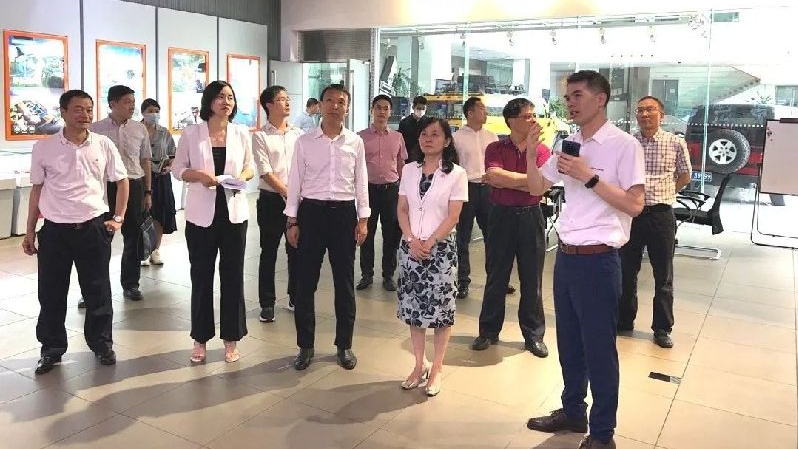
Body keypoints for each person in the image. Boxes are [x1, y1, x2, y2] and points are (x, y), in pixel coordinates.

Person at [525, 70, 645, 449]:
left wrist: (589, 176)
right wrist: (530, 151)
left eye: (577, 95)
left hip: (599, 261)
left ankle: (603, 434)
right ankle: (573, 411)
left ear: (600, 98)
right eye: (567, 97)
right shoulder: (569, 143)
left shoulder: (624, 145)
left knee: (599, 350)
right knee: (570, 343)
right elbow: (536, 187)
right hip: (566, 257)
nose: (570, 103)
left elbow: (635, 205)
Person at [23, 89, 129, 375]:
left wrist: (118, 218)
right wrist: (30, 230)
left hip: (92, 228)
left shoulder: (103, 144)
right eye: (78, 109)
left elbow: (121, 181)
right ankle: (51, 349)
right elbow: (37, 190)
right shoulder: (44, 148)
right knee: (51, 293)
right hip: (55, 231)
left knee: (98, 291)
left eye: (89, 109)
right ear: (63, 112)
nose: (85, 114)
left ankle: (101, 344)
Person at [285, 83, 370, 372]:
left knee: (344, 283)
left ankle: (344, 345)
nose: (335, 106)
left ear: (347, 107)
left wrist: (363, 219)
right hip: (311, 213)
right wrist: (292, 220)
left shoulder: (355, 142)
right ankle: (305, 346)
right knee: (304, 283)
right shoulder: (305, 141)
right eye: (330, 100)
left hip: (344, 215)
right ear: (320, 105)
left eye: (341, 101)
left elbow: (361, 181)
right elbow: (295, 181)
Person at [172, 80, 255, 364]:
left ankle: (232, 337)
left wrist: (241, 177)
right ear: (209, 101)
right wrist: (199, 176)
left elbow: (250, 166)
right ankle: (200, 337)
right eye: (220, 97)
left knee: (233, 276)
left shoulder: (241, 132)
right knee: (201, 276)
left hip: (234, 213)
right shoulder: (192, 133)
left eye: (230, 97)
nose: (226, 102)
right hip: (200, 215)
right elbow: (177, 169)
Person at [472, 98, 550, 358]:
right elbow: (494, 176)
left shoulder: (542, 151)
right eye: (527, 116)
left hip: (531, 216)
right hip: (501, 216)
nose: (533, 120)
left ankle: (534, 335)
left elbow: (543, 184)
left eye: (534, 115)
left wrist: (509, 181)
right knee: (497, 275)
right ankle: (488, 331)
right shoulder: (495, 148)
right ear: (511, 121)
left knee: (532, 278)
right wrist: (529, 181)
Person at [396, 117, 467, 397]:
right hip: (411, 248)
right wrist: (411, 240)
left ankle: (437, 367)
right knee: (414, 310)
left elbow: (454, 215)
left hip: (441, 251)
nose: (428, 139)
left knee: (440, 313)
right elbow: (402, 208)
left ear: (447, 141)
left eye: (435, 134)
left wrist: (431, 241)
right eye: (424, 134)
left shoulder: (456, 174)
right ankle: (419, 364)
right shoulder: (409, 170)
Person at [618, 96, 691, 349]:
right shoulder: (629, 143)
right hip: (632, 214)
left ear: (662, 115)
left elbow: (685, 175)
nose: (644, 114)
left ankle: (662, 328)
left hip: (661, 215)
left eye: (650, 110)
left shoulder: (675, 142)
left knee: (664, 274)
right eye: (640, 110)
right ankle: (624, 319)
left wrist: (667, 193)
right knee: (626, 271)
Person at [89, 85, 152, 302]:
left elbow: (145, 161)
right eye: (127, 102)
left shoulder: (139, 128)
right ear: (113, 103)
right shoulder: (95, 129)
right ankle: (93, 290)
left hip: (134, 185)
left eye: (133, 102)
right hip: (105, 187)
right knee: (99, 239)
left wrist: (148, 191)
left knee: (133, 237)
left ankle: (131, 284)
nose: (132, 106)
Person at [451, 96, 512, 299]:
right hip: (466, 189)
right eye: (482, 109)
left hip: (488, 189)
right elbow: (452, 166)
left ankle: (497, 280)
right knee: (463, 237)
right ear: (470, 113)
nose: (486, 113)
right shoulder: (457, 138)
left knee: (493, 237)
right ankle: (462, 281)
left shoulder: (492, 136)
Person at [252, 85, 302, 322]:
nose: (287, 102)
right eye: (281, 99)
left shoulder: (298, 134)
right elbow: (265, 171)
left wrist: (296, 195)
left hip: (297, 200)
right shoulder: (260, 136)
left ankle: (295, 296)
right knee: (269, 252)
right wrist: (287, 192)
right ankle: (267, 303)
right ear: (269, 105)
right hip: (271, 201)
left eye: (288, 98)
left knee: (296, 250)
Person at [356, 95, 408, 292]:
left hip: (391, 191)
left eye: (386, 108)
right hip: (368, 191)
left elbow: (401, 164)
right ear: (372, 110)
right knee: (366, 233)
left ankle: (388, 275)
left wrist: (404, 191)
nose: (382, 111)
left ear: (390, 112)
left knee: (391, 235)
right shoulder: (360, 137)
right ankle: (366, 274)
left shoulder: (397, 137)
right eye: (378, 107)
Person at [140, 98, 177, 266]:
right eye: (150, 111)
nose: (154, 114)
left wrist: (170, 166)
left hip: (161, 178)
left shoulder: (164, 132)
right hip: (141, 178)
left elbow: (173, 154)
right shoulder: (135, 130)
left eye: (156, 111)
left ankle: (155, 250)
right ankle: (142, 251)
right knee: (142, 215)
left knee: (160, 215)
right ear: (143, 113)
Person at [398, 95, 427, 160]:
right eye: (419, 108)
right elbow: (400, 142)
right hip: (408, 157)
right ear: (413, 107)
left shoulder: (428, 123)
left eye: (423, 109)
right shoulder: (404, 123)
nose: (421, 111)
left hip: (424, 157)